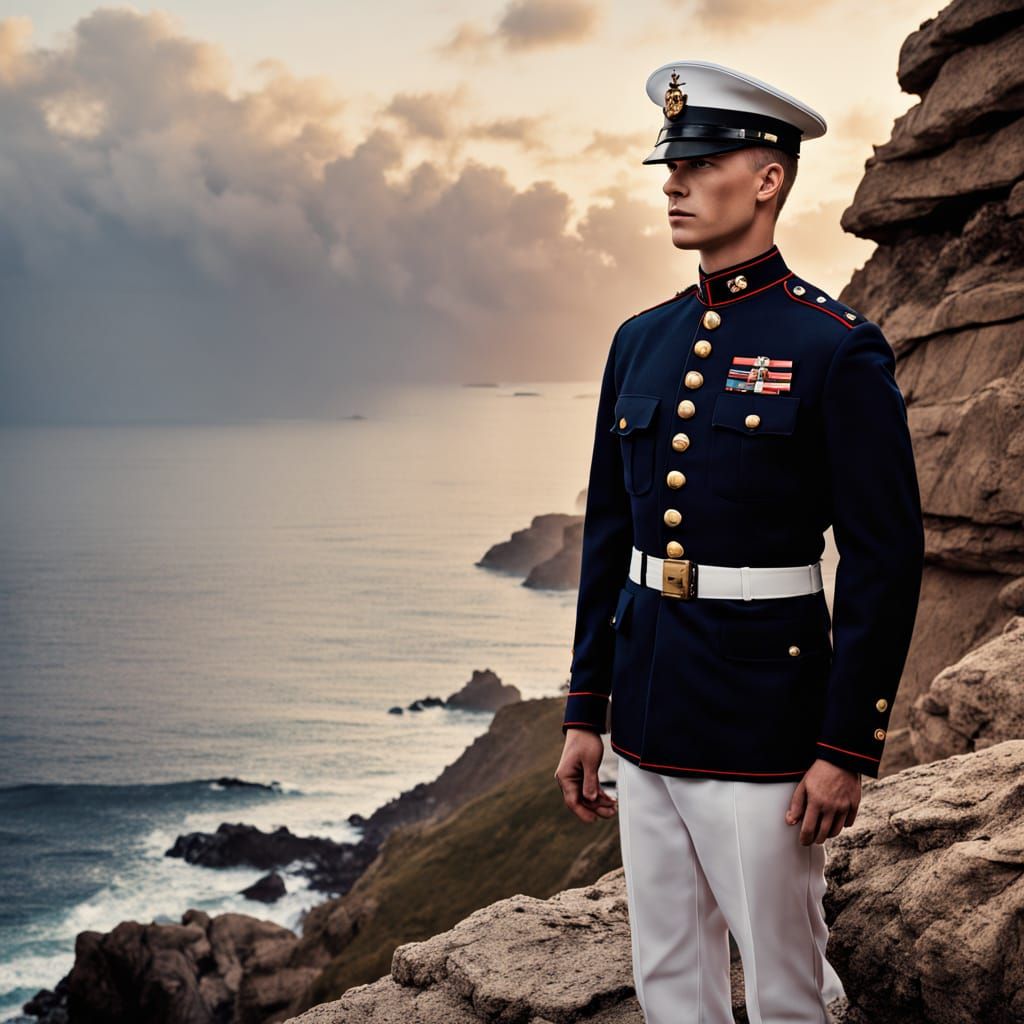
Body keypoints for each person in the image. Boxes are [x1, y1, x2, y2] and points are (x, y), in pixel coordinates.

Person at [553, 60, 925, 1024]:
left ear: (767, 179)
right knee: (669, 979)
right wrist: (584, 710)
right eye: (669, 163)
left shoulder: (835, 347)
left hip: (767, 726)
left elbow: (885, 559)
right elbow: (610, 537)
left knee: (787, 990)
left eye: (701, 160)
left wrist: (847, 747)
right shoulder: (639, 340)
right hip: (644, 712)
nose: (672, 181)